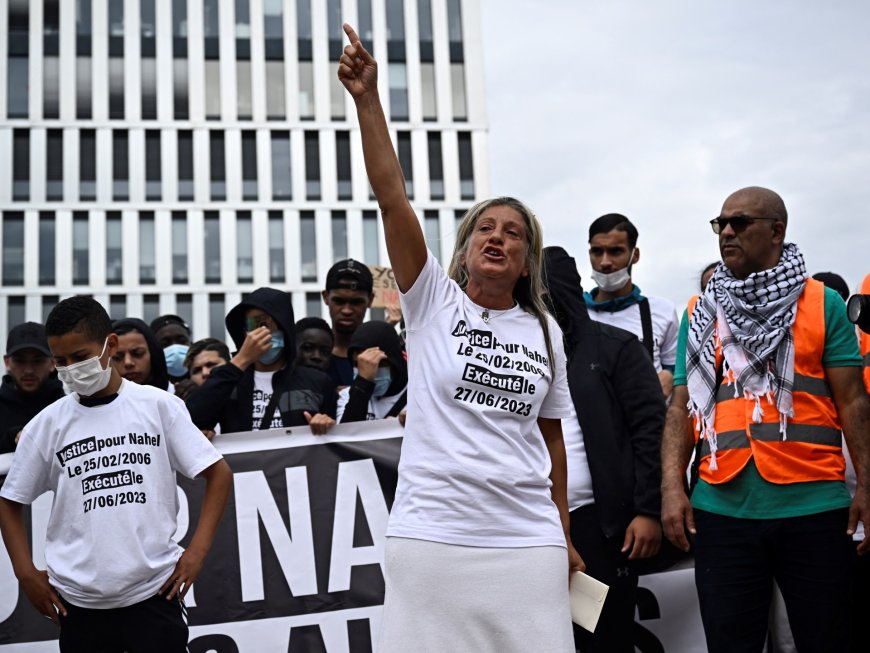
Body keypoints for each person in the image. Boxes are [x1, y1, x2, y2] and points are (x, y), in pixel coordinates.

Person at [339, 24, 581, 652]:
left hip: (529, 542)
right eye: (484, 230)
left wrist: (562, 530)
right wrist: (368, 100)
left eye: (513, 234)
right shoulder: (431, 302)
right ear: (466, 250)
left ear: (528, 261)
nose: (497, 238)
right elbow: (393, 200)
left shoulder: (545, 330)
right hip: (433, 537)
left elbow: (551, 438)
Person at [660, 186, 870, 653]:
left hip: (815, 507)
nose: (727, 232)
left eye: (740, 223)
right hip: (721, 509)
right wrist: (673, 488)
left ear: (777, 232)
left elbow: (853, 401)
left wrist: (868, 487)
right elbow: (681, 406)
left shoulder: (821, 303)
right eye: (721, 224)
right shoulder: (702, 310)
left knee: (826, 641)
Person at [0, 296, 232, 652]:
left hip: (154, 594)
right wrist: (25, 573)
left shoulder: (158, 406)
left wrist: (197, 552)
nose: (71, 369)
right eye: (60, 361)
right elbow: (9, 500)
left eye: (80, 357)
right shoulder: (45, 425)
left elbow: (218, 473)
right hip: (79, 605)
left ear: (111, 345)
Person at [543, 246, 666, 652]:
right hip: (534, 525)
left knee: (602, 639)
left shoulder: (616, 347)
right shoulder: (519, 354)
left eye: (548, 292)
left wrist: (647, 510)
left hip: (601, 526)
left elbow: (651, 431)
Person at [185, 287, 337, 435]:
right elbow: (190, 421)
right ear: (245, 332)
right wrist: (241, 360)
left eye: (272, 324)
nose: (265, 332)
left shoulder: (316, 382)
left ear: (285, 328)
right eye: (255, 324)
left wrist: (326, 424)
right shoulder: (226, 380)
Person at [584, 213, 679, 397]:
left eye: (615, 251)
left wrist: (670, 376)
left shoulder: (661, 311)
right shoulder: (573, 314)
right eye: (597, 251)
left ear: (634, 255)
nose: (605, 262)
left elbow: (677, 372)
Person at [1, 322, 65, 453]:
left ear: (53, 363)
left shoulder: (67, 408)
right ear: (7, 362)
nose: (28, 370)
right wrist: (11, 439)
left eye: (37, 361)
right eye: (20, 361)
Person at [338, 321, 408, 423]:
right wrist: (362, 384)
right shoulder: (347, 396)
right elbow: (348, 434)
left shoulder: (418, 395)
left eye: (377, 364)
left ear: (394, 361)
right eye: (359, 365)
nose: (369, 371)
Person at [322, 259, 374, 387]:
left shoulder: (381, 357)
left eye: (356, 302)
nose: (346, 310)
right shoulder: (306, 353)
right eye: (339, 301)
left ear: (370, 300)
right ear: (325, 297)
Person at [110, 318, 171, 392]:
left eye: (138, 353)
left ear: (153, 354)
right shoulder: (95, 402)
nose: (128, 362)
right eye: (117, 357)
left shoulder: (175, 398)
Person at [150, 315, 195, 395]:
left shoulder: (205, 378)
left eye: (181, 341)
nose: (175, 349)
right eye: (165, 344)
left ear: (191, 344)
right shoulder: (149, 388)